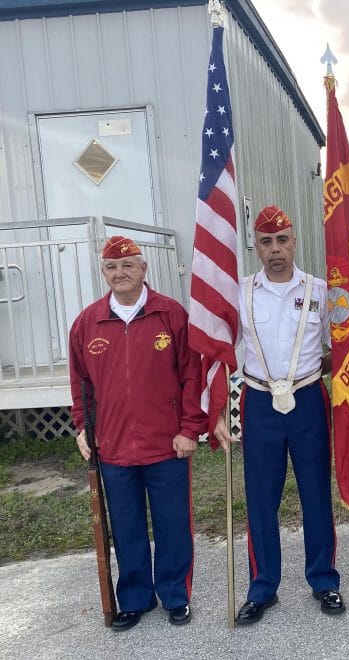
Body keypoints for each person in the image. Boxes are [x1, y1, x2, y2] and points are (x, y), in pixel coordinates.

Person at [214, 205, 344, 625]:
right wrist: (218, 410)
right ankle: (262, 586)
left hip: (307, 400)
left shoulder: (321, 290)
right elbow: (219, 354)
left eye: (282, 240)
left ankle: (323, 579)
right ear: (256, 246)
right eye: (266, 242)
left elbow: (335, 350)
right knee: (261, 498)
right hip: (259, 402)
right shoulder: (239, 291)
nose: (275, 250)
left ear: (295, 242)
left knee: (314, 494)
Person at [69, 236, 207, 631]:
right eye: (112, 267)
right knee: (127, 527)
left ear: (144, 269)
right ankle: (134, 597)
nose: (120, 273)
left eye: (128, 264)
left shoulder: (171, 315)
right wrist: (83, 427)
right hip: (113, 448)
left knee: (172, 525)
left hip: (167, 444)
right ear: (103, 272)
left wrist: (189, 429)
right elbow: (80, 384)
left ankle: (175, 594)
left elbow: (191, 376)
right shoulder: (87, 323)